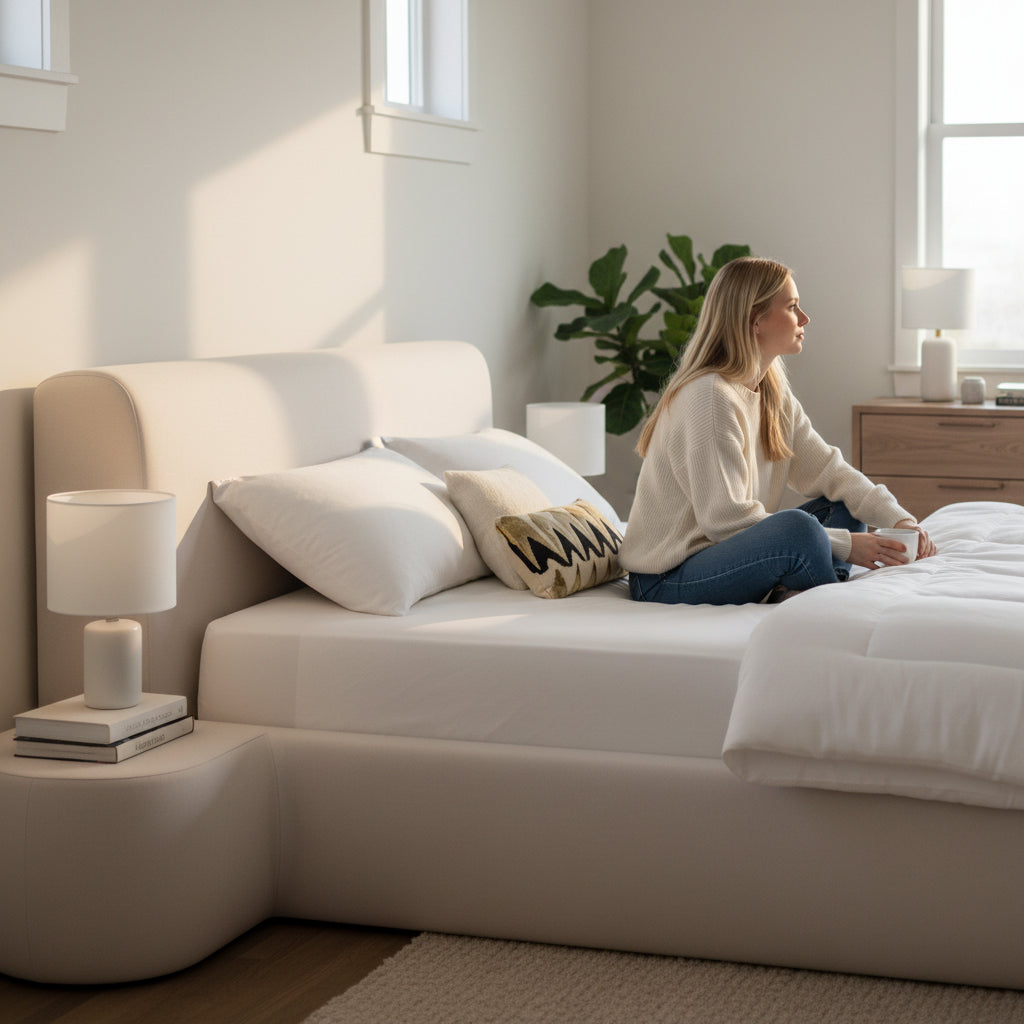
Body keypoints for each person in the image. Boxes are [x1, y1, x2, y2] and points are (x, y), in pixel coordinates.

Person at [620, 256, 936, 606]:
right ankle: (826, 601)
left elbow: (832, 472)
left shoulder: (770, 390)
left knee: (842, 504)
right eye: (792, 307)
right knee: (799, 530)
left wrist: (902, 520)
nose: (804, 319)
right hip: (667, 577)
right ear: (756, 321)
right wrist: (847, 545)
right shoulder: (709, 397)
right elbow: (724, 521)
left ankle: (797, 592)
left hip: (724, 554)